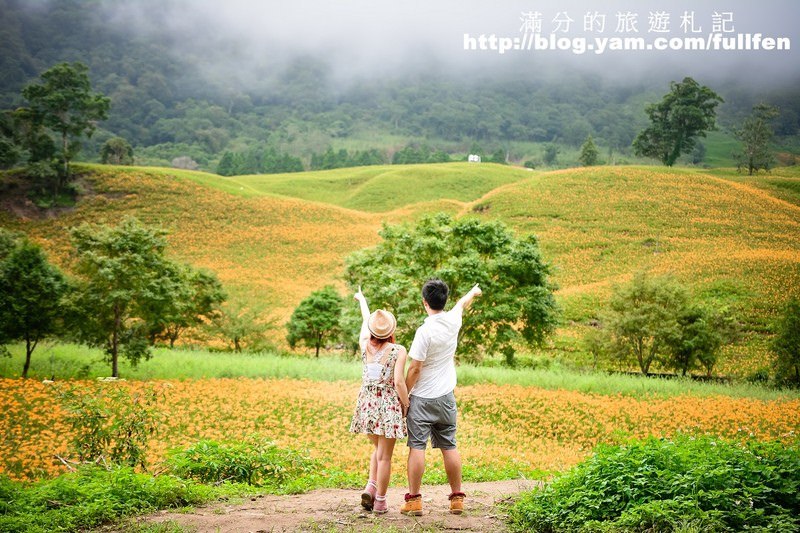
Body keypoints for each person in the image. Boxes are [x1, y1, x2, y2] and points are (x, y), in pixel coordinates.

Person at [401, 279, 482, 516]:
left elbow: (415, 369)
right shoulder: (453, 319)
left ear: (424, 302)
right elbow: (463, 303)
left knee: (417, 447)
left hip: (422, 399)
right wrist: (474, 291)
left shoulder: (424, 332)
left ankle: (414, 501)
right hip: (446, 397)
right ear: (444, 301)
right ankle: (457, 499)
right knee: (449, 445)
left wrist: (405, 396)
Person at [349, 286, 410, 514]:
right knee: (385, 457)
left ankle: (371, 486)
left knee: (377, 449)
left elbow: (366, 322)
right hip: (387, 406)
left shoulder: (364, 344)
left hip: (367, 403)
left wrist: (361, 300)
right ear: (391, 330)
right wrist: (405, 404)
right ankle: (381, 502)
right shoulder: (398, 350)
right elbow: (399, 382)